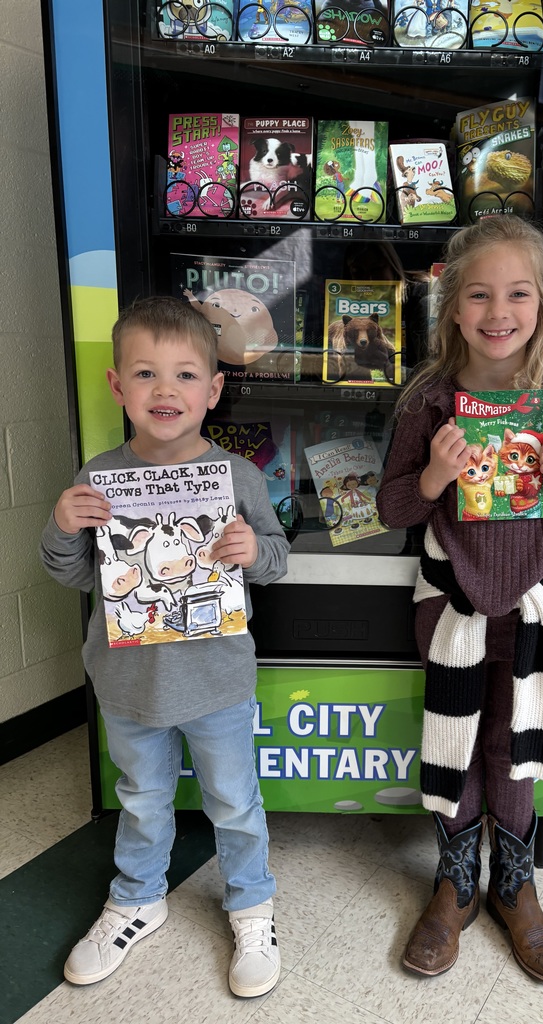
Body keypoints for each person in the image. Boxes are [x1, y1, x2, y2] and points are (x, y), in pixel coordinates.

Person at [376, 215, 543, 983]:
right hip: (449, 607)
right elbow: (392, 509)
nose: (497, 311)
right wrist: (433, 480)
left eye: (517, 293)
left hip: (533, 608)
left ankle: (515, 885)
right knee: (456, 736)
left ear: (542, 304)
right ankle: (455, 884)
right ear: (451, 306)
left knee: (514, 746)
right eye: (478, 294)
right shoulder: (429, 399)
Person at [40, 296, 290, 998]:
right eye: (145, 374)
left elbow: (276, 557)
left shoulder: (236, 478)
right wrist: (62, 523)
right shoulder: (99, 477)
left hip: (216, 682)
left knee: (235, 802)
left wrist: (251, 548)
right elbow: (69, 573)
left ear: (212, 390)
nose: (164, 390)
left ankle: (251, 904)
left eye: (184, 376)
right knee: (144, 799)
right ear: (119, 387)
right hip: (128, 685)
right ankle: (137, 898)